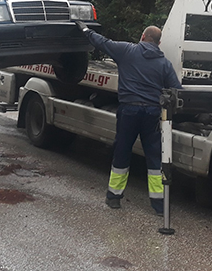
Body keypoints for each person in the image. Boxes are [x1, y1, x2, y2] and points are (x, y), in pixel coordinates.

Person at [74, 21, 182, 215]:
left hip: (129, 111)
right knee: (154, 157)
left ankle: (114, 197)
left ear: (142, 37)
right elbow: (177, 91)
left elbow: (102, 42)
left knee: (122, 151)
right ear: (159, 43)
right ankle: (159, 205)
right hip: (152, 113)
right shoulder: (164, 64)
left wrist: (85, 30)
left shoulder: (126, 51)